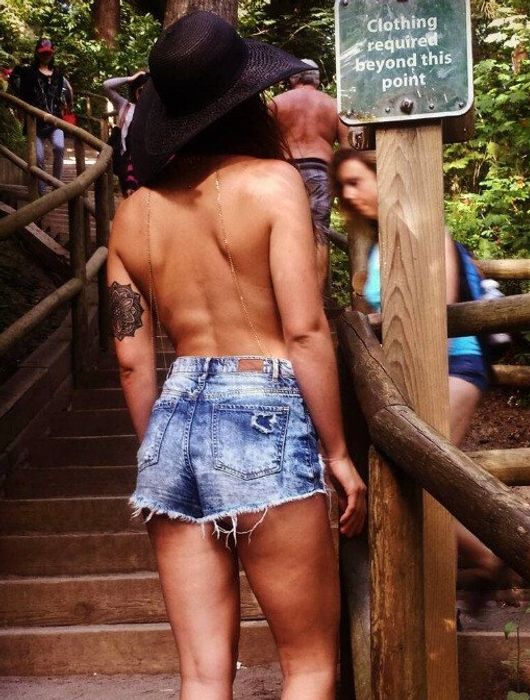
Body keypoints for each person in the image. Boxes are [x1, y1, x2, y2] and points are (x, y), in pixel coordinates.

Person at [108, 13, 366, 696]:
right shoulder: (273, 185)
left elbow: (133, 360)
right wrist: (337, 453)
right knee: (308, 666)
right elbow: (306, 330)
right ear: (247, 100)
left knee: (200, 676)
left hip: (173, 420)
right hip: (265, 410)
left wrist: (160, 448)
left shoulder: (132, 212)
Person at [330, 148, 506, 610]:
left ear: (381, 178)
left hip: (455, 365)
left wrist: (372, 325)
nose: (349, 194)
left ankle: (476, 567)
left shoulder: (426, 228)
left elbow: (438, 303)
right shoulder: (375, 243)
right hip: (408, 372)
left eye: (356, 181)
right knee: (417, 480)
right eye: (343, 187)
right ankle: (461, 578)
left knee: (424, 476)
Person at [270, 58, 350, 288]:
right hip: (320, 170)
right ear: (317, 79)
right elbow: (346, 149)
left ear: (293, 78)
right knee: (319, 234)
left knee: (283, 233)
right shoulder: (334, 106)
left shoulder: (276, 104)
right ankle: (317, 301)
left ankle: (286, 295)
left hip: (285, 171)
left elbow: (263, 145)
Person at [9, 38, 73, 195]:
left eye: (48, 53)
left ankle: (56, 183)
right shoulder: (28, 73)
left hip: (55, 120)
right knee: (38, 158)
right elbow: (19, 88)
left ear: (52, 54)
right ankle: (43, 192)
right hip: (34, 122)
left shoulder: (58, 74)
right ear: (37, 54)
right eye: (43, 53)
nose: (46, 56)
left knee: (59, 146)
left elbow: (61, 94)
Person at [102, 70, 149, 196]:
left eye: (147, 91)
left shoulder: (153, 110)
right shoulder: (125, 106)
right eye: (140, 90)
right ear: (134, 91)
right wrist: (130, 78)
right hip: (126, 161)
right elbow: (107, 85)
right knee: (129, 196)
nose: (143, 94)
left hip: (145, 161)